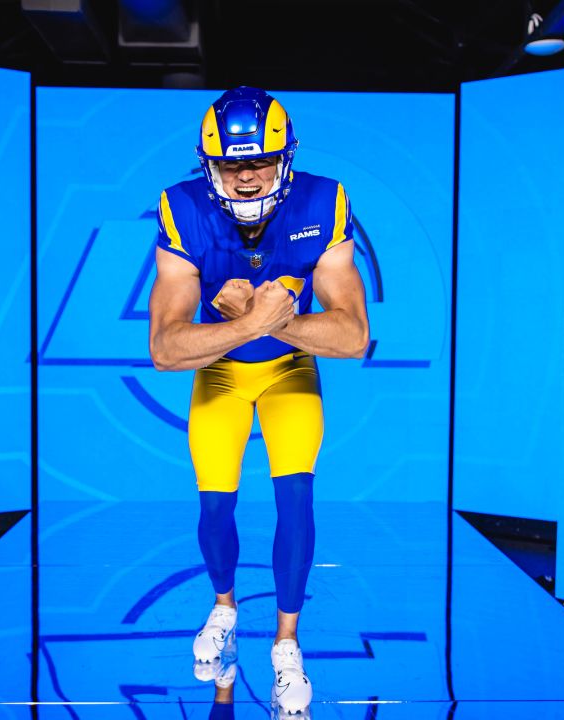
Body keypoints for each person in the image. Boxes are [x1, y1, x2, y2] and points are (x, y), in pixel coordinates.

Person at [147, 86, 369, 713]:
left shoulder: (324, 201)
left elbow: (353, 336)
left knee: (294, 496)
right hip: (220, 372)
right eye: (232, 164)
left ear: (286, 159)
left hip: (288, 370)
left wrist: (273, 323)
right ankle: (223, 608)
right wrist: (247, 326)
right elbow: (165, 348)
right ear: (208, 166)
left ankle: (286, 644)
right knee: (216, 506)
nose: (247, 178)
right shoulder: (181, 207)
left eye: (260, 162)